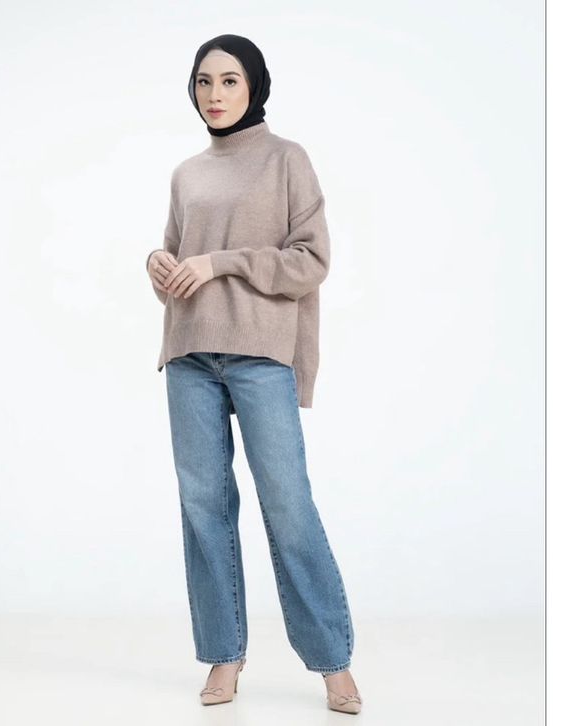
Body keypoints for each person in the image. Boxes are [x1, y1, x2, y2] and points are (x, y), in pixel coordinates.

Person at [146, 34, 362, 714]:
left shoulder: (285, 159)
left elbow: (310, 261)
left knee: (287, 504)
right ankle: (224, 654)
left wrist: (222, 262)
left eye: (229, 80)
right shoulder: (187, 174)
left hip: (261, 352)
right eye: (204, 81)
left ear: (254, 86)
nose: (214, 94)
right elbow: (179, 263)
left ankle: (332, 660)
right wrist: (160, 265)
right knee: (203, 509)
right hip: (189, 353)